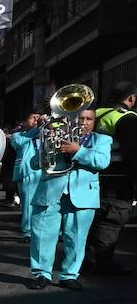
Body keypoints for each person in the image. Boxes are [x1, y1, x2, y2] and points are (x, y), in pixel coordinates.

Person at [28, 108, 110, 291]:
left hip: (83, 195)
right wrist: (46, 142)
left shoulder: (102, 140)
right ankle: (41, 274)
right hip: (50, 192)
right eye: (80, 118)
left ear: (94, 122)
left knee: (77, 238)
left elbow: (102, 161)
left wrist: (78, 150)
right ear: (71, 119)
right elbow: (34, 164)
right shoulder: (55, 134)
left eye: (89, 119)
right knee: (42, 236)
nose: (84, 122)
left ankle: (69, 275)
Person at [89, 81, 137, 275]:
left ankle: (84, 258)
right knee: (111, 219)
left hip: (92, 175)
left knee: (93, 217)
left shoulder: (95, 114)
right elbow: (133, 153)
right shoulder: (127, 118)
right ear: (131, 98)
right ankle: (103, 264)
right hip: (117, 178)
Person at [9, 113, 45, 241]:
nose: (36, 119)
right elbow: (19, 143)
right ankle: (28, 232)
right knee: (28, 203)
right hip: (27, 172)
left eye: (39, 117)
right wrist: (38, 128)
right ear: (25, 122)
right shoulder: (17, 135)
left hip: (45, 171)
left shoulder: (45, 133)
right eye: (33, 117)